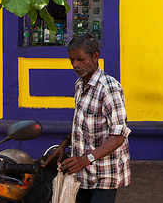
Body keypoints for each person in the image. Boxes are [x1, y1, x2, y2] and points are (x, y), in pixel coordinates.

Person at [42, 34, 131, 203]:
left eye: (80, 59)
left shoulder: (109, 88)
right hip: (82, 173)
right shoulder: (79, 84)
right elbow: (84, 124)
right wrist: (65, 143)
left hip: (104, 173)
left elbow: (119, 136)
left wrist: (86, 159)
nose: (75, 65)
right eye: (72, 60)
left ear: (95, 56)